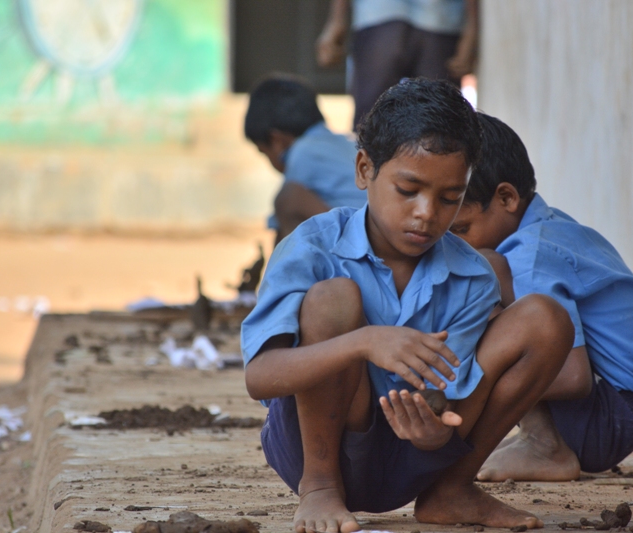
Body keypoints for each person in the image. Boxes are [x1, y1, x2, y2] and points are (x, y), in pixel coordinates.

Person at [241, 78, 575, 533]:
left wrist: (436, 430)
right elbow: (259, 377)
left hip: (412, 457)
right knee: (334, 298)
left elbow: (442, 396)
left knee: (545, 318)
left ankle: (451, 491)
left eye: (449, 198)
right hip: (311, 451)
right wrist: (363, 343)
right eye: (408, 190)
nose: (426, 212)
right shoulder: (313, 248)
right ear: (364, 171)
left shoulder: (472, 276)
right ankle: (320, 489)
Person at [449, 113, 633, 481]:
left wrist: (468, 389)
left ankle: (545, 445)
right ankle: (536, 439)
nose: (455, 243)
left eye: (462, 229)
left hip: (606, 418)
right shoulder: (547, 228)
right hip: (617, 410)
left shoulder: (529, 258)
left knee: (481, 271)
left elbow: (572, 377)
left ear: (506, 197)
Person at [316, 0, 478, 129]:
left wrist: (336, 19)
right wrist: (472, 24)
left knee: (370, 125)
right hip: (438, 16)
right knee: (440, 126)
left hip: (382, 14)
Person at [245, 74, 367, 243]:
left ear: (276, 141)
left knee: (288, 199)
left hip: (366, 250)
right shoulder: (347, 142)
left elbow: (280, 227)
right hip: (384, 241)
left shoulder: (303, 152)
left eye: (263, 152)